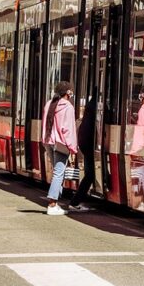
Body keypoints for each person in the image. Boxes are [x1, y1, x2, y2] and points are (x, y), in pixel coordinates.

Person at [42, 81, 78, 216]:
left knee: (57, 172)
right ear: (68, 93)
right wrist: (73, 148)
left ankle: (55, 202)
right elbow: (68, 130)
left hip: (49, 142)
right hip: (61, 144)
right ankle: (52, 204)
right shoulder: (68, 107)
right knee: (58, 173)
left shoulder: (49, 104)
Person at [69, 92, 97, 212]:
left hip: (85, 142)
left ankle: (76, 201)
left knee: (89, 173)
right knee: (90, 174)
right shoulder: (96, 105)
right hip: (89, 143)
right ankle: (75, 202)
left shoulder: (91, 105)